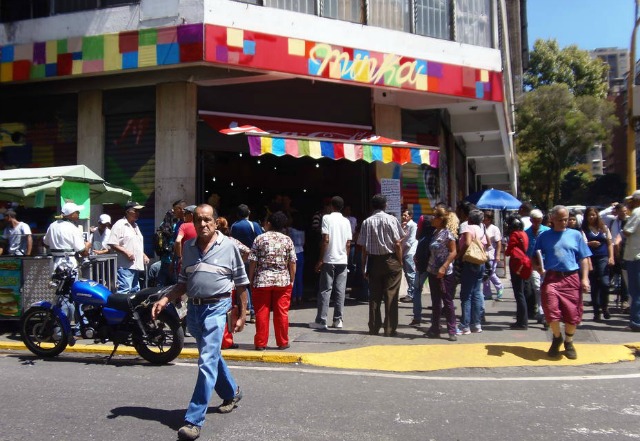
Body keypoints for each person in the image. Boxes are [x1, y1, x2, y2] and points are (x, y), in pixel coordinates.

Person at [152, 204, 248, 441]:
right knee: (211, 355)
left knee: (206, 360)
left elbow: (241, 282)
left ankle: (194, 420)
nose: (203, 224)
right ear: (193, 223)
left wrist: (243, 313)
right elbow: (183, 281)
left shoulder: (229, 246)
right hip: (194, 310)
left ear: (216, 222)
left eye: (207, 220)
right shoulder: (188, 247)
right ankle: (232, 392)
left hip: (218, 308)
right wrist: (165, 298)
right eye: (198, 220)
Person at [534, 205, 591, 360]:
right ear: (552, 219)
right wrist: (538, 267)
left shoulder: (576, 235)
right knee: (551, 309)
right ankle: (557, 337)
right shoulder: (544, 236)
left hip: (571, 277)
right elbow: (534, 256)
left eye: (566, 219)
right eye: (560, 220)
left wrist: (585, 278)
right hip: (552, 277)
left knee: (572, 313)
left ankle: (569, 341)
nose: (564, 222)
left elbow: (584, 258)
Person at [357, 194, 405, 337]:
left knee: (374, 296)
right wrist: (400, 260)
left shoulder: (367, 222)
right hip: (391, 260)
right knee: (391, 295)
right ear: (385, 205)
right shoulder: (392, 220)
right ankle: (389, 328)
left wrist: (363, 265)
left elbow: (364, 247)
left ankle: (374, 327)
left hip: (373, 261)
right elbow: (397, 243)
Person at [248, 211, 296, 350]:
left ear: (269, 223)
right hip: (283, 280)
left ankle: (261, 343)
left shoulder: (259, 239)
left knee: (261, 312)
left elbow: (252, 261)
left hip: (262, 280)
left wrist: (250, 279)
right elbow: (292, 262)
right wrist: (292, 279)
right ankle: (282, 342)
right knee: (282, 312)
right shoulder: (287, 240)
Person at [43, 202, 91, 327]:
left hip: (56, 266)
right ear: (71, 214)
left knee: (60, 297)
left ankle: (59, 329)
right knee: (72, 297)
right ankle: (67, 329)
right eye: (77, 212)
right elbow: (83, 252)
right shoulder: (72, 229)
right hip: (69, 266)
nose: (79, 214)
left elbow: (45, 242)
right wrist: (88, 245)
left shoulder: (52, 226)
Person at [310, 196, 352, 330]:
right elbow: (348, 243)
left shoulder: (327, 218)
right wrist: (346, 257)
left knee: (325, 290)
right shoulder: (346, 221)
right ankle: (338, 320)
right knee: (340, 291)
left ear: (331, 206)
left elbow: (325, 239)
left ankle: (322, 320)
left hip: (329, 258)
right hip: (342, 259)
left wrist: (321, 259)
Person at [424, 206, 458, 341]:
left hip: (445, 273)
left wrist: (444, 266)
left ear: (440, 219)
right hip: (432, 271)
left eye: (434, 216)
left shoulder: (447, 234)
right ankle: (435, 328)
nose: (431, 219)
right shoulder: (434, 233)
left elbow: (453, 252)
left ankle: (452, 330)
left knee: (447, 301)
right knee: (435, 301)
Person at [456, 209, 488, 335]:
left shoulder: (469, 228)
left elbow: (467, 243)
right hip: (480, 262)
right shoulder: (482, 229)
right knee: (476, 293)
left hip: (469, 262)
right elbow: (487, 244)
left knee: (466, 295)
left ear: (470, 218)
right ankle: (476, 323)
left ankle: (465, 325)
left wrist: (459, 256)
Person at [107, 201, 150, 294]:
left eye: (139, 211)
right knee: (124, 290)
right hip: (125, 266)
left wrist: (143, 255)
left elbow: (135, 244)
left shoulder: (135, 226)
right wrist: (126, 252)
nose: (137, 213)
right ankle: (121, 308)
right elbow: (112, 243)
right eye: (135, 211)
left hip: (136, 265)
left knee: (135, 291)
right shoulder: (120, 224)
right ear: (127, 211)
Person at [231, 204, 264, 323]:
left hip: (240, 259)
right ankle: (254, 312)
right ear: (249, 213)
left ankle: (247, 309)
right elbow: (261, 239)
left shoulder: (234, 226)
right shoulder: (253, 224)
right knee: (253, 284)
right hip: (253, 258)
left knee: (242, 284)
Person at [582, 206, 614, 321]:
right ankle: (596, 311)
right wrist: (590, 244)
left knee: (605, 283)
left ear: (597, 216)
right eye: (589, 215)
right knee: (594, 285)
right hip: (590, 258)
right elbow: (583, 245)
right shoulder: (584, 230)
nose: (591, 217)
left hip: (603, 257)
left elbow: (610, 243)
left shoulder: (603, 228)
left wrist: (611, 257)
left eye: (593, 215)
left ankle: (604, 306)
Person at [525, 209, 550, 326]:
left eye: (539, 221)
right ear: (531, 220)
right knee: (537, 288)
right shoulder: (526, 233)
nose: (537, 223)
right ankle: (541, 312)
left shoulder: (548, 231)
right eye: (535, 221)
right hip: (533, 265)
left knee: (547, 289)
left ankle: (547, 312)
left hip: (548, 264)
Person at [504, 215, 530, 330]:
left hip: (516, 265)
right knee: (521, 292)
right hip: (523, 263)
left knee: (519, 293)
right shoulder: (524, 233)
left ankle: (522, 322)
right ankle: (521, 320)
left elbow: (509, 251)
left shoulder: (515, 235)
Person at [154, 199, 186, 287]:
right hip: (174, 259)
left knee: (163, 283)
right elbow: (177, 242)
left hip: (169, 258)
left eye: (175, 210)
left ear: (179, 209)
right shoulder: (178, 224)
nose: (174, 212)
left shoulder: (164, 225)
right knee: (175, 284)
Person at [622, 190, 640, 332]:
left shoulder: (637, 212)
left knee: (636, 291)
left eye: (632, 200)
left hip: (635, 256)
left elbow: (627, 231)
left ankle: (636, 322)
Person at [482, 210, 504, 301]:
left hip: (491, 254)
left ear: (489, 219)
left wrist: (498, 254)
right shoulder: (481, 227)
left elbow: (498, 243)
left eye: (485, 218)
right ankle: (487, 293)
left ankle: (499, 286)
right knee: (485, 274)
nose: (483, 220)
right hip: (483, 254)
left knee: (490, 273)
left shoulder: (494, 229)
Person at [399, 208, 418, 303]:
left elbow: (410, 241)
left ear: (410, 216)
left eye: (406, 215)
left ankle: (413, 294)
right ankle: (410, 292)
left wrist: (401, 251)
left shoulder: (413, 226)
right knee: (407, 274)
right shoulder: (403, 226)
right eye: (403, 215)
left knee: (410, 273)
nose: (404, 217)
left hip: (409, 252)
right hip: (403, 252)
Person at [287, 212, 306, 307]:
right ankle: (300, 297)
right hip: (301, 252)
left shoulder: (290, 230)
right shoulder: (302, 231)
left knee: (292, 276)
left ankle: (293, 297)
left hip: (293, 253)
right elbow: (303, 242)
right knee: (299, 277)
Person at [174, 205, 198, 272]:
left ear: (191, 215)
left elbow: (178, 241)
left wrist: (180, 257)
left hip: (185, 263)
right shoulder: (201, 227)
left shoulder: (184, 226)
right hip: (199, 263)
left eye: (185, 214)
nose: (183, 216)